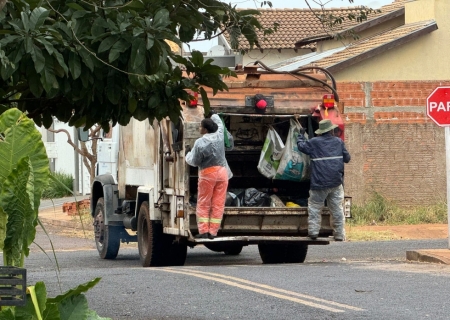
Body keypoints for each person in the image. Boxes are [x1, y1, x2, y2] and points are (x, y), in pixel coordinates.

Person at [297, 119, 351, 241]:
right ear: (331, 130)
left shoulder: (314, 142)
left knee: (315, 207)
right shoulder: (339, 142)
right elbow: (347, 158)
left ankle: (313, 232)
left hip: (319, 183)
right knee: (337, 208)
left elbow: (301, 147)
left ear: (320, 132)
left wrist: (300, 135)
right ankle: (339, 235)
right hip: (335, 182)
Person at [186, 112, 232, 239]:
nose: (199, 128)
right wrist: (213, 114)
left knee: (204, 202)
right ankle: (213, 232)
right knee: (218, 203)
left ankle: (203, 231)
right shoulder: (220, 135)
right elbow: (219, 122)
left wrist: (187, 155)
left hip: (208, 174)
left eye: (200, 127)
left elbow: (194, 161)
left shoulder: (200, 142)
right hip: (223, 173)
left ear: (205, 129)